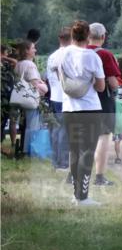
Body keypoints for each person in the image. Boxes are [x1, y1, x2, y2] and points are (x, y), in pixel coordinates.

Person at [61, 21, 106, 205]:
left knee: (74, 151)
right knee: (87, 152)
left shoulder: (63, 54)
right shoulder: (92, 56)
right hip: (89, 108)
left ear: (72, 36)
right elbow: (101, 86)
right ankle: (83, 196)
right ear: (88, 36)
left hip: (69, 108)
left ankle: (75, 194)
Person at [85, 24, 121, 187]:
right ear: (103, 36)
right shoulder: (105, 54)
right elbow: (113, 83)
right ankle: (99, 176)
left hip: (81, 100)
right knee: (103, 137)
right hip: (102, 100)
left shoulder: (79, 53)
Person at [12, 39, 48, 159]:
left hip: (20, 98)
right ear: (27, 51)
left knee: (26, 125)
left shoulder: (18, 64)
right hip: (30, 99)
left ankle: (24, 149)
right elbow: (34, 84)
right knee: (33, 125)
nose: (35, 50)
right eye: (33, 48)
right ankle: (31, 151)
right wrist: (43, 86)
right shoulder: (30, 65)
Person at [45, 27, 72, 170]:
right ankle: (63, 162)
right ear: (72, 39)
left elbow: (49, 78)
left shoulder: (52, 56)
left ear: (59, 39)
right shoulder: (70, 54)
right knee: (65, 130)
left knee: (55, 129)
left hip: (54, 96)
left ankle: (55, 160)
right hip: (66, 97)